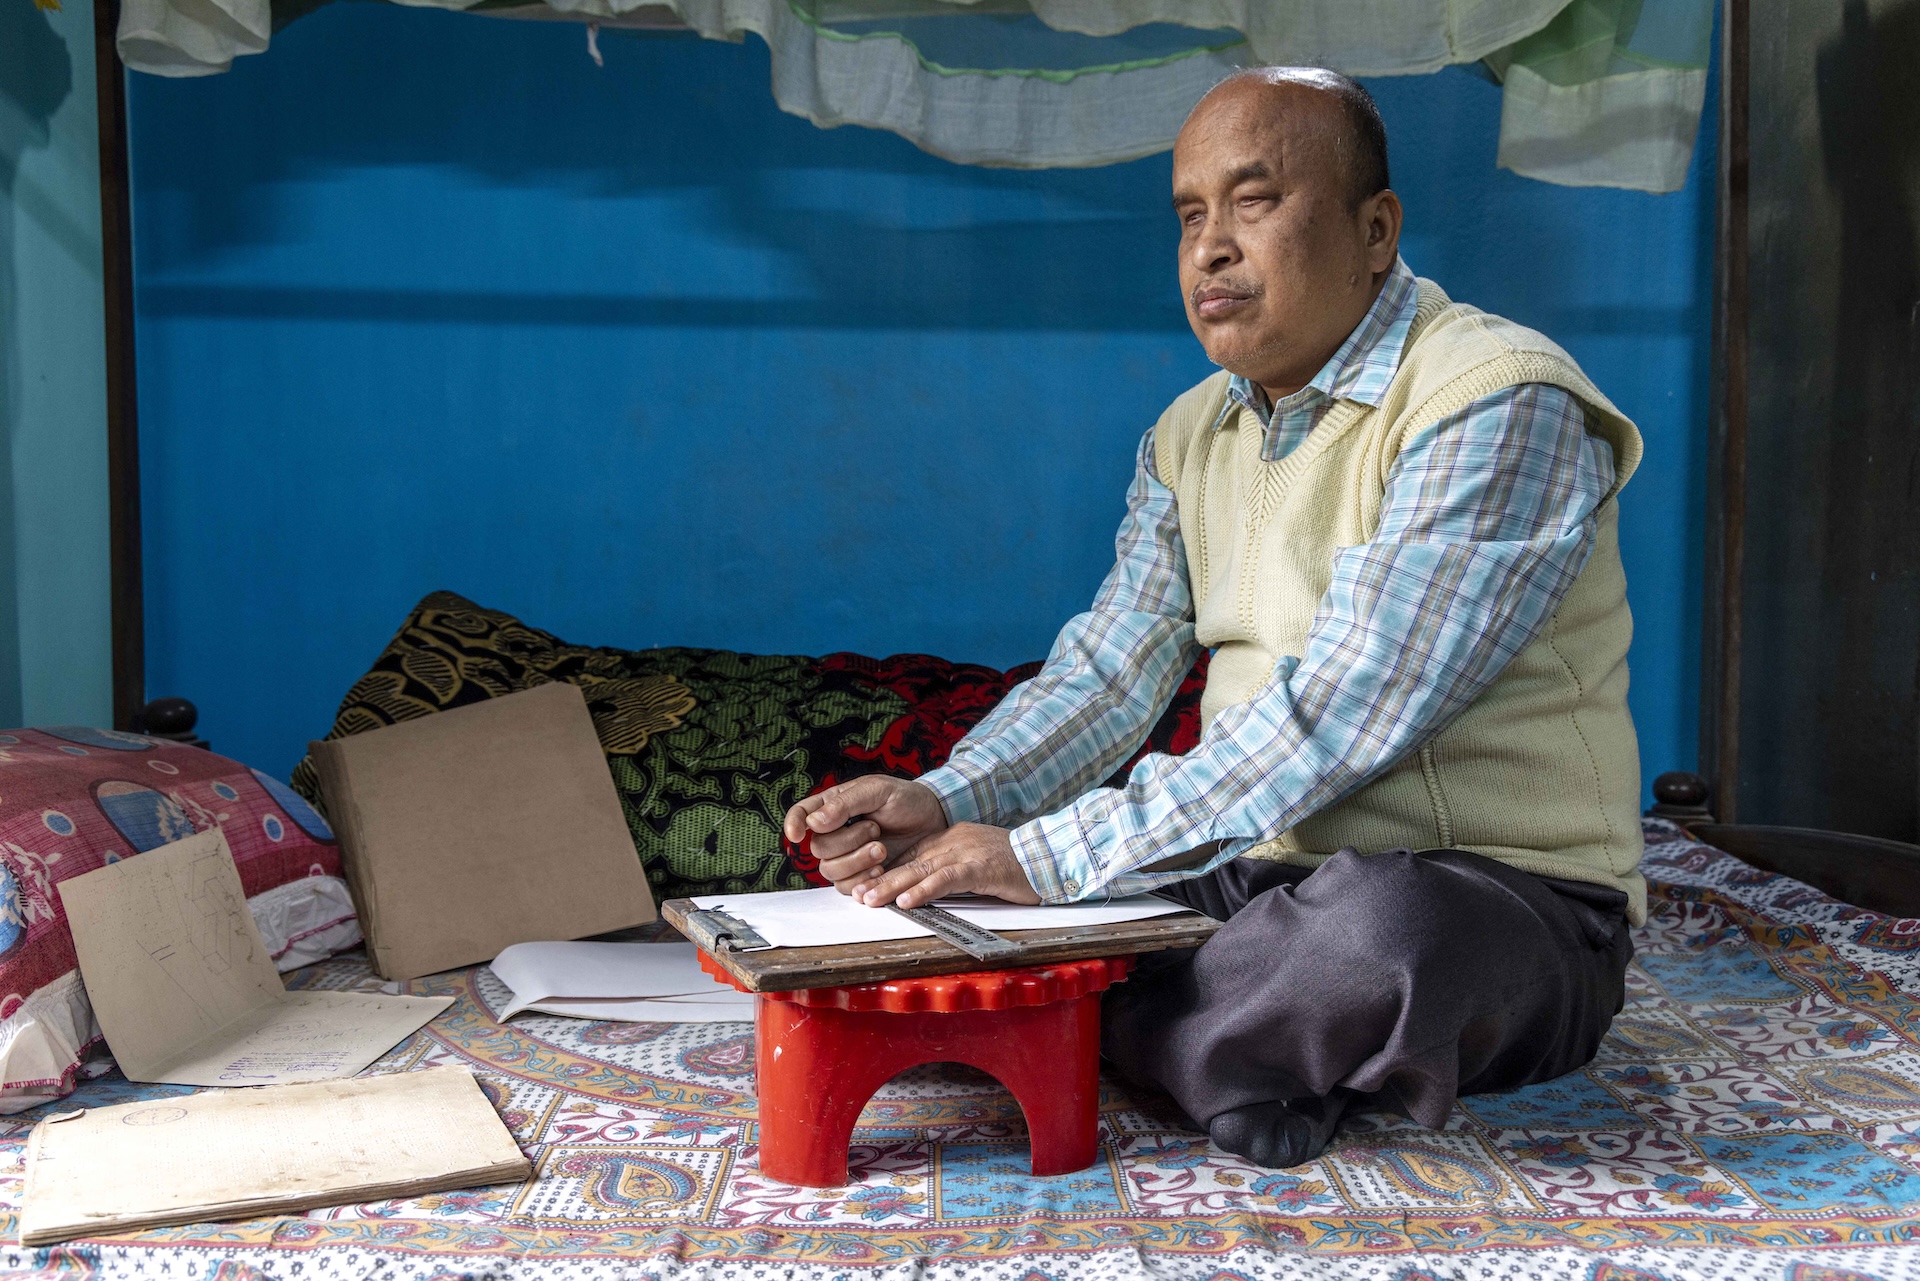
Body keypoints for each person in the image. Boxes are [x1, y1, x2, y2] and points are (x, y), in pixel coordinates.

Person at [781, 66, 1643, 1170]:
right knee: (949, 920)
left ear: (1375, 230)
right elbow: (1109, 675)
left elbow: (1344, 712)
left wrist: (1046, 857)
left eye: (1255, 201)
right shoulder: (1189, 433)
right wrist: (950, 801)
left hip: (1497, 895)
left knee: (1377, 943)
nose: (1210, 249)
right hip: (1254, 864)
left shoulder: (1496, 398)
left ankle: (1084, 1022)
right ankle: (1216, 1050)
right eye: (1190, 214)